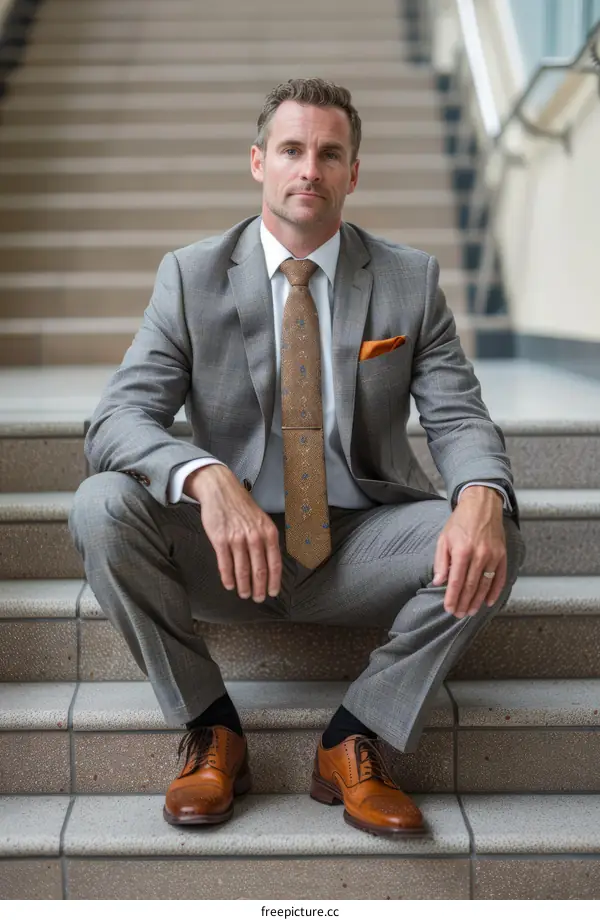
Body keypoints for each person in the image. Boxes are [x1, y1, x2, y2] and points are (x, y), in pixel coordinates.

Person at [69, 77, 525, 839]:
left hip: (357, 542)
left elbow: (460, 416)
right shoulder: (190, 276)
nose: (308, 168)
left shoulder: (410, 282)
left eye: (328, 152)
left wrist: (480, 489)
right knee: (100, 507)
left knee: (498, 534)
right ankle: (212, 729)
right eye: (291, 149)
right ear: (259, 162)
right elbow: (116, 418)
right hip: (226, 549)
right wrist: (205, 476)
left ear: (353, 173)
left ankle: (353, 738)